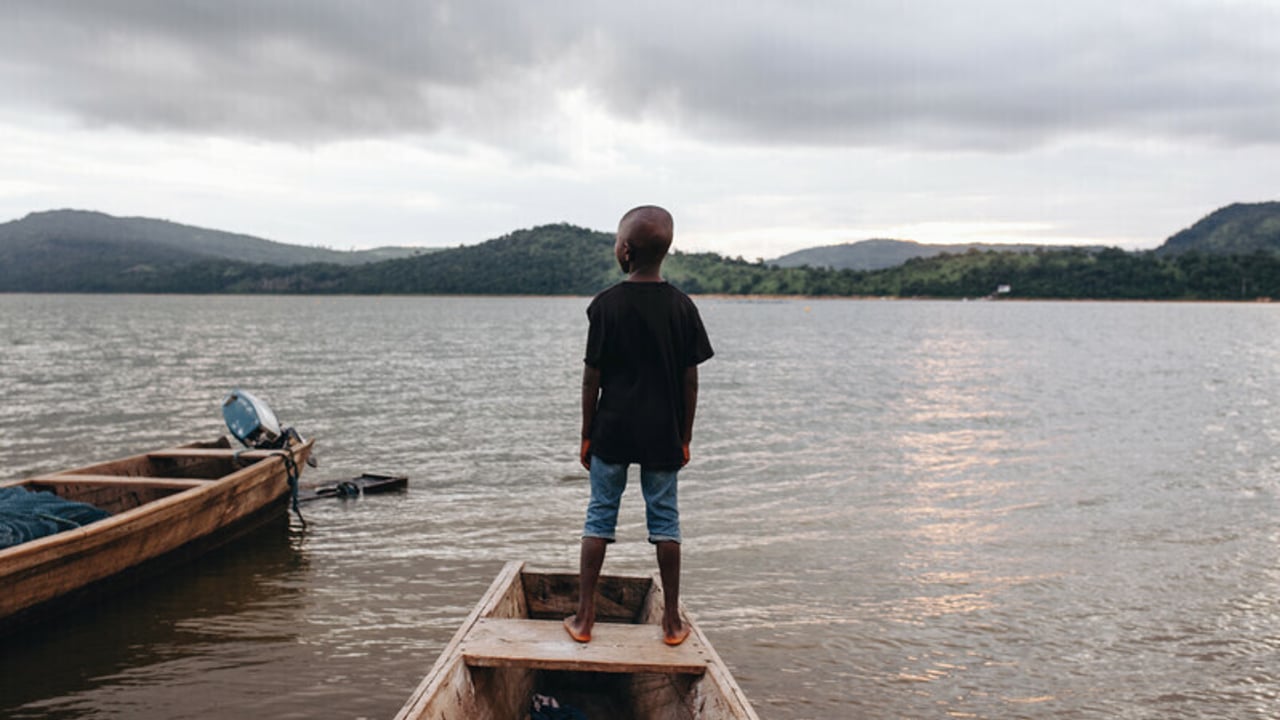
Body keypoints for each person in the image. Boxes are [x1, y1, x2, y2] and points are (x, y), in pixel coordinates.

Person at [563, 205, 714, 647]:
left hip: (612, 429)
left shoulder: (605, 306)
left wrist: (587, 433)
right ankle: (670, 623)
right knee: (666, 522)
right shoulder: (683, 307)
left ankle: (585, 619)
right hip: (662, 432)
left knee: (599, 517)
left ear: (625, 250)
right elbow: (691, 381)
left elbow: (593, 377)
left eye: (616, 240)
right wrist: (685, 436)